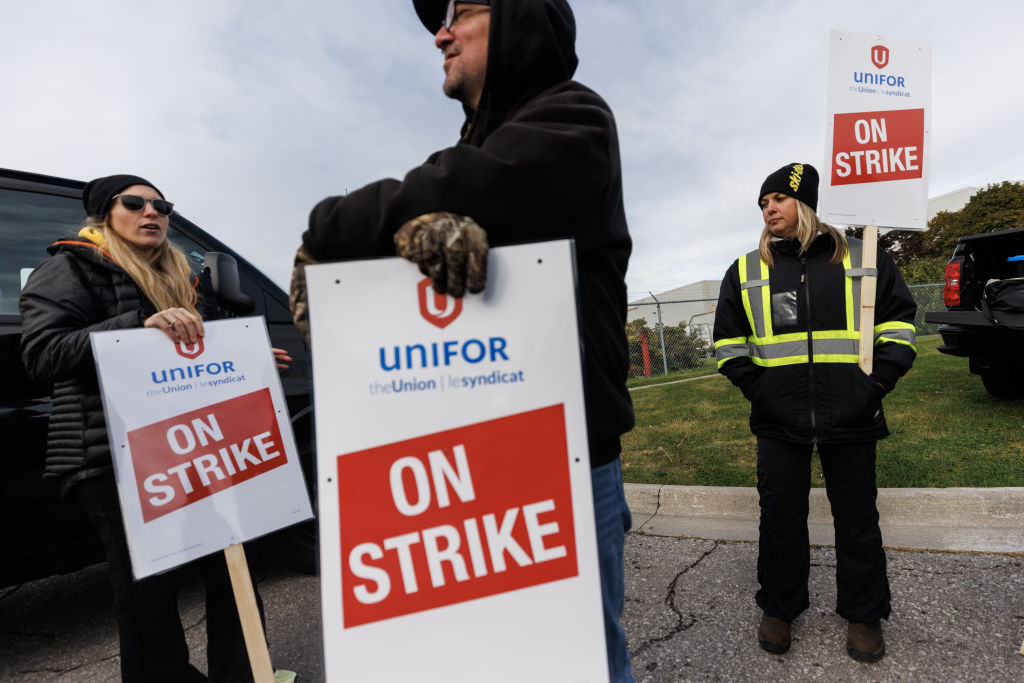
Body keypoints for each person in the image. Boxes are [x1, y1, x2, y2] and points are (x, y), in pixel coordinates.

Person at [289, 1, 635, 679]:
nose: (440, 33)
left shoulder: (575, 118)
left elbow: (475, 186)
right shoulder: (472, 150)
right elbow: (441, 195)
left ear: (521, 21)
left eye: (461, 12)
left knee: (582, 660)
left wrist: (327, 228)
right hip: (465, 464)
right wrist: (400, 240)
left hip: (566, 460)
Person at [19, 174, 290, 682]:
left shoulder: (185, 277)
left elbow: (193, 352)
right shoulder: (68, 268)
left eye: (162, 205)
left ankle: (245, 674)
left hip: (193, 445)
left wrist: (246, 357)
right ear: (106, 214)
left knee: (234, 566)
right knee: (149, 591)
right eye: (135, 203)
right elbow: (43, 354)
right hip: (110, 456)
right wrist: (137, 328)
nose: (153, 212)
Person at [713, 163, 917, 663]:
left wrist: (877, 384)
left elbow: (899, 323)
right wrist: (759, 391)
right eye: (763, 204)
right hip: (778, 421)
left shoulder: (862, 260)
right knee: (780, 517)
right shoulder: (746, 270)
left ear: (805, 204)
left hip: (852, 413)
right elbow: (727, 344)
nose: (769, 210)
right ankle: (780, 607)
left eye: (778, 199)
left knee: (858, 519)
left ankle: (865, 615)